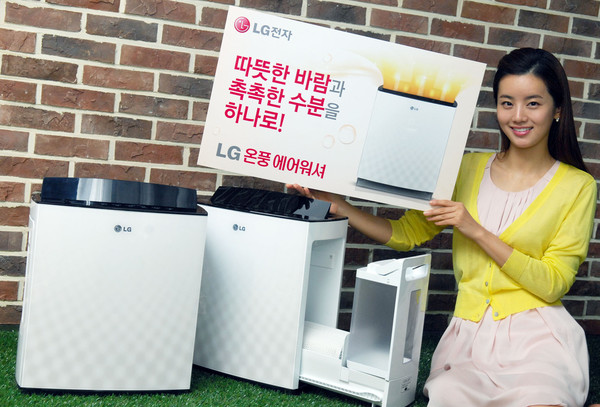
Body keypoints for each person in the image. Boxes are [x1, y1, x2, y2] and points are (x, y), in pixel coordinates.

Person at [288, 48, 597, 407]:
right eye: (506, 103)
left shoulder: (577, 186)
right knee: (449, 398)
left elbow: (553, 283)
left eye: (533, 103)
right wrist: (338, 205)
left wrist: (474, 229)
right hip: (469, 339)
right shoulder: (465, 169)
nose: (517, 116)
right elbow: (406, 234)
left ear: (557, 109)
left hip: (538, 338)